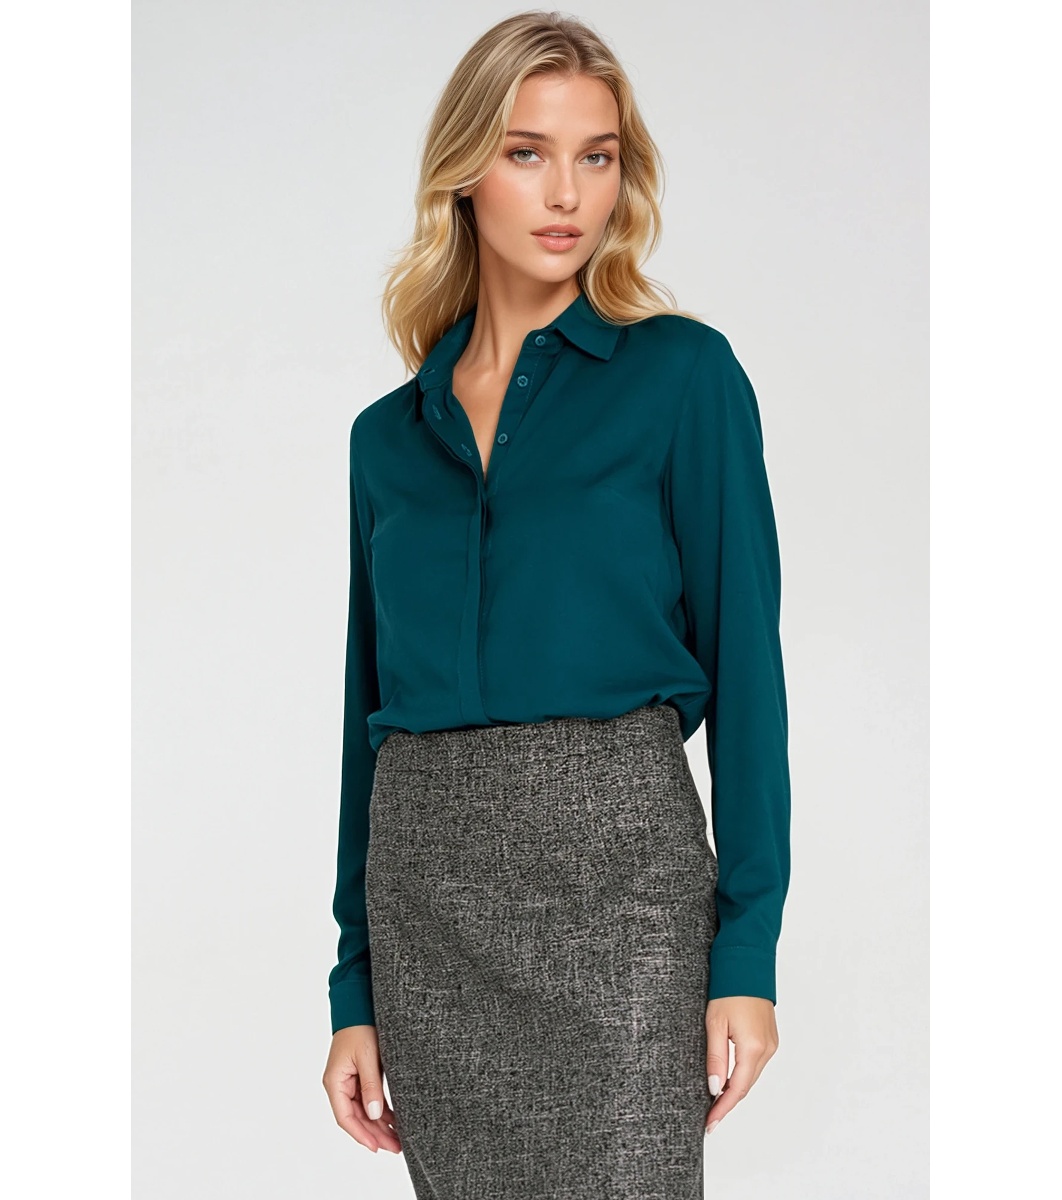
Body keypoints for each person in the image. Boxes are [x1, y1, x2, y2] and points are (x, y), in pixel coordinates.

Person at [321, 11, 791, 1199]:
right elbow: (366, 722)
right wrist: (353, 986)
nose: (567, 192)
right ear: (463, 170)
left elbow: (750, 672)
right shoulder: (386, 440)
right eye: (527, 152)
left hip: (619, 886)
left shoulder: (683, 376)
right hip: (427, 901)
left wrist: (746, 951)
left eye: (598, 155)